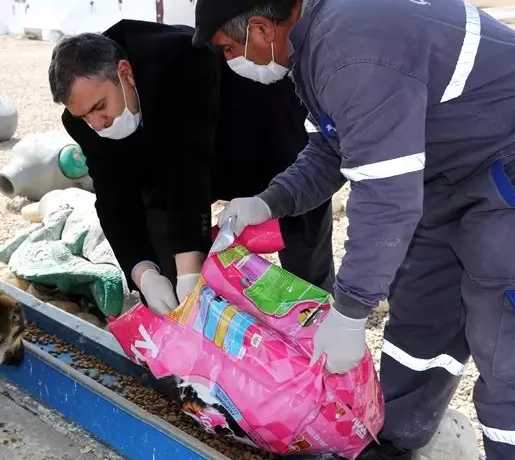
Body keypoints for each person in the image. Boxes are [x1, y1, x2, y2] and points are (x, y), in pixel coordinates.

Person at [191, 0, 515, 460]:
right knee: (422, 306)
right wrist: (269, 202)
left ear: (261, 29)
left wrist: (351, 307)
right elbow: (333, 148)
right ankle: (396, 443)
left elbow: (385, 198)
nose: (233, 62)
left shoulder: (350, 49)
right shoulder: (315, 42)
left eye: (230, 50)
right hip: (445, 161)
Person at [47, 20, 334, 316]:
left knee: (304, 250)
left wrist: (189, 271)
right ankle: (194, 337)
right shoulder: (83, 119)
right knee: (162, 251)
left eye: (100, 107)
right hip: (176, 160)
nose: (97, 124)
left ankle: (321, 329)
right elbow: (113, 197)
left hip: (262, 134)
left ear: (125, 72)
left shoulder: (178, 57)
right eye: (84, 117)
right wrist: (143, 272)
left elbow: (187, 163)